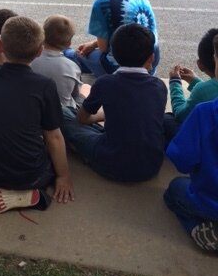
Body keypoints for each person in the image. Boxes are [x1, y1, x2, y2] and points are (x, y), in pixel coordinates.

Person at [0, 16, 74, 214]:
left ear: (1, 47)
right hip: (30, 176)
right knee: (58, 144)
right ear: (40, 51)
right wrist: (63, 176)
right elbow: (53, 137)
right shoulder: (44, 86)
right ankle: (32, 196)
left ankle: (11, 188)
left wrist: (7, 38)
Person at [61, 23, 167, 182]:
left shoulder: (106, 83)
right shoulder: (159, 86)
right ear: (151, 57)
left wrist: (100, 117)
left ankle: (84, 150)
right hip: (151, 166)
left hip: (111, 164)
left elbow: (82, 119)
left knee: (64, 113)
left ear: (114, 56)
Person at [66, 0, 160, 77]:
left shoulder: (103, 2)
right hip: (150, 64)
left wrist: (95, 46)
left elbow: (104, 48)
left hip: (119, 68)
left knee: (71, 55)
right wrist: (94, 44)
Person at [164, 73, 218, 252]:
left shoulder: (206, 112)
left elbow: (182, 163)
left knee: (174, 189)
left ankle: (202, 231)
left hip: (211, 202)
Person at [31, 15, 98, 118]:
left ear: (42, 35)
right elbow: (75, 94)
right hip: (64, 116)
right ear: (69, 42)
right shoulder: (71, 66)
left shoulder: (29, 59)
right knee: (86, 87)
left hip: (34, 111)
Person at [164, 28, 218, 142]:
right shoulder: (204, 89)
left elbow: (180, 115)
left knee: (167, 119)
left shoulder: (202, 91)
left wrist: (175, 82)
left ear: (200, 65)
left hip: (207, 143)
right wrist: (194, 82)